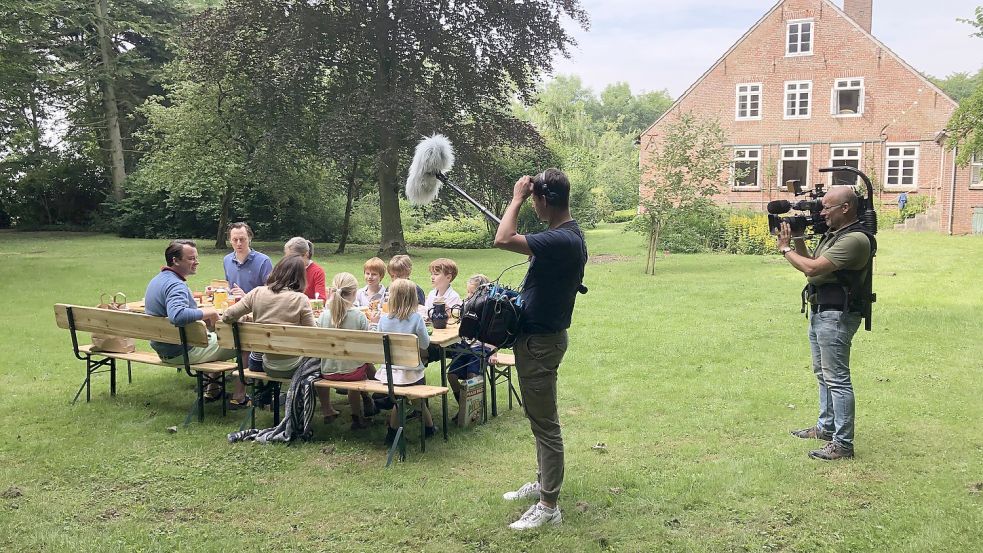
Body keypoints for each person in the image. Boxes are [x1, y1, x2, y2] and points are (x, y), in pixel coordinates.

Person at [493, 168, 588, 531]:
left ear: (545, 200)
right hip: (538, 338)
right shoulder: (563, 235)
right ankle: (543, 481)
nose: (532, 205)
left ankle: (549, 504)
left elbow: (503, 239)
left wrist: (515, 198)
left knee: (546, 425)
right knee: (538, 419)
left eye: (534, 200)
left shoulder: (562, 240)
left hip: (540, 343)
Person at [776, 185, 875, 461]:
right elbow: (812, 263)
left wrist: (784, 249)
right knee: (824, 375)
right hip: (822, 310)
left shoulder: (855, 239)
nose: (822, 213)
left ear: (846, 208)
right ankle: (825, 427)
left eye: (827, 207)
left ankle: (843, 444)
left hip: (838, 315)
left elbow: (812, 269)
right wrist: (796, 238)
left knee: (837, 380)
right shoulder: (834, 235)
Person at [144, 239, 236, 374]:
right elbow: (177, 315)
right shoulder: (176, 285)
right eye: (191, 258)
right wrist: (209, 312)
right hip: (182, 352)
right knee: (244, 342)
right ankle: (241, 392)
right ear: (175, 261)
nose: (196, 262)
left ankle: (212, 389)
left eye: (196, 258)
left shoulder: (158, 279)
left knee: (215, 336)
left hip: (165, 349)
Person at [221, 256, 316, 379]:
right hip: (292, 366)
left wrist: (244, 318)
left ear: (277, 271)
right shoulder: (300, 299)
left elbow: (227, 316)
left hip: (259, 363)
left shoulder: (257, 292)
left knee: (259, 354)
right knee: (319, 360)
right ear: (301, 277)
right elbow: (313, 334)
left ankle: (265, 392)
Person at [376, 278, 436, 445]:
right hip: (411, 373)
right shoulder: (416, 319)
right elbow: (425, 344)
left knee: (402, 399)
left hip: (388, 374)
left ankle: (427, 428)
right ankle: (423, 428)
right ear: (413, 298)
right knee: (412, 399)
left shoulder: (383, 320)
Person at [315, 272, 377, 429]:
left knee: (351, 363)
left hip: (327, 371)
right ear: (355, 293)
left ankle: (327, 409)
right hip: (352, 373)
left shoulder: (323, 315)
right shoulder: (358, 316)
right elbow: (368, 345)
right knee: (358, 365)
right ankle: (357, 416)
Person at [224, 221, 273, 407]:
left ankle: (239, 393)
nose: (238, 243)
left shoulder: (263, 261)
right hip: (235, 313)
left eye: (242, 239)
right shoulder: (227, 260)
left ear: (250, 238)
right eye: (234, 239)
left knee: (242, 346)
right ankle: (212, 387)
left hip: (258, 316)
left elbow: (271, 294)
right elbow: (230, 286)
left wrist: (247, 298)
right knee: (216, 333)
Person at [446, 274, 492, 419]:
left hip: (480, 346)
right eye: (468, 292)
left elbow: (493, 334)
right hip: (464, 345)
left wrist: (494, 351)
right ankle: (464, 407)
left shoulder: (488, 309)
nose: (469, 295)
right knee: (451, 375)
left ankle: (472, 411)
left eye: (472, 293)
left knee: (472, 376)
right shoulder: (466, 304)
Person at [284, 236, 327, 301]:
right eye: (287, 257)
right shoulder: (286, 269)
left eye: (293, 257)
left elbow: (321, 300)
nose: (289, 260)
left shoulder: (317, 272)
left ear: (306, 254)